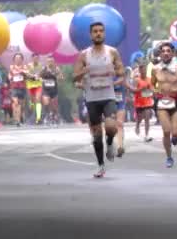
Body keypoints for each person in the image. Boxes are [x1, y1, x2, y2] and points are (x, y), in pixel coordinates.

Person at [73, 22, 124, 178]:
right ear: (91, 34)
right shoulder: (84, 55)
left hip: (108, 96)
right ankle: (101, 165)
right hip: (92, 98)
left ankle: (110, 142)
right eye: (95, 31)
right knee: (96, 135)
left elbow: (121, 72)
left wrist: (115, 74)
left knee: (110, 126)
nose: (98, 34)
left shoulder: (112, 52)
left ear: (104, 33)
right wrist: (84, 71)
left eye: (101, 31)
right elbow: (74, 76)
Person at [151, 42, 177, 168]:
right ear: (160, 54)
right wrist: (155, 91)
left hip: (176, 102)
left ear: (172, 53)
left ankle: (176, 138)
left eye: (168, 51)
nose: (166, 53)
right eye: (163, 51)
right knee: (166, 131)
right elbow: (152, 84)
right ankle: (169, 157)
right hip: (162, 102)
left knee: (176, 133)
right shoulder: (155, 69)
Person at [130, 62, 154, 142]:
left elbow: (151, 89)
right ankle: (137, 125)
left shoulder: (149, 79)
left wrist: (151, 91)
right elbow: (133, 91)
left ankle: (147, 135)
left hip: (147, 101)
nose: (144, 71)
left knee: (147, 117)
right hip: (139, 102)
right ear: (140, 70)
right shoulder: (137, 80)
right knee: (140, 118)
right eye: (142, 69)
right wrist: (140, 89)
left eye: (145, 69)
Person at [40, 56, 63, 125]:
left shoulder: (56, 69)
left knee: (54, 105)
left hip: (54, 89)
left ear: (54, 62)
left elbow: (61, 77)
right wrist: (42, 80)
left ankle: (55, 116)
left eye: (51, 61)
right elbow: (39, 77)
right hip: (46, 89)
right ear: (47, 62)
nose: (50, 63)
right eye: (49, 61)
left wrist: (57, 77)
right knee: (46, 102)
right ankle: (47, 116)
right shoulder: (44, 69)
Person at [9, 53, 28, 126]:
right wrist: (10, 78)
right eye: (16, 58)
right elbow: (10, 76)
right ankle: (17, 120)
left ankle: (20, 117)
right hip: (14, 88)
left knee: (21, 105)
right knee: (16, 103)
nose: (18, 59)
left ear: (22, 59)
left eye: (19, 58)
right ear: (14, 59)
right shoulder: (11, 67)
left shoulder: (24, 67)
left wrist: (24, 73)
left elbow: (27, 74)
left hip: (22, 88)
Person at [26, 54, 44, 125]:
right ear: (32, 58)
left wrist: (40, 76)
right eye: (34, 58)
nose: (36, 59)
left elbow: (42, 74)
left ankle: (38, 117)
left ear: (38, 58)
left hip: (38, 85)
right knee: (32, 102)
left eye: (37, 58)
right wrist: (33, 76)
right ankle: (32, 112)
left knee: (38, 99)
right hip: (30, 86)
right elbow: (27, 74)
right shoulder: (28, 66)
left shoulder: (41, 66)